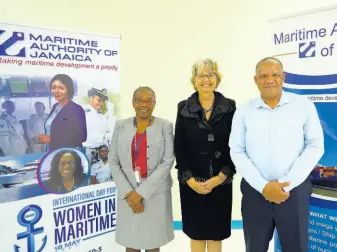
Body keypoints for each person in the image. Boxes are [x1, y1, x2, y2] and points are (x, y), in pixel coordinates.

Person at [229, 57, 324, 252]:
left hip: (293, 193)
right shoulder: (244, 110)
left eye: (275, 75)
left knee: (295, 247)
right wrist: (263, 186)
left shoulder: (303, 105)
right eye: (263, 76)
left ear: (283, 78)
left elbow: (315, 145)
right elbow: (237, 150)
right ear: (255, 80)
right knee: (255, 247)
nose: (269, 79)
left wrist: (287, 182)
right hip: (255, 192)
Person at [174, 59, 236, 252]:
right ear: (194, 81)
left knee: (216, 236)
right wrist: (189, 180)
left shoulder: (230, 107)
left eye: (210, 75)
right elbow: (180, 147)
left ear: (217, 79)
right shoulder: (183, 107)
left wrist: (220, 177)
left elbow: (236, 147)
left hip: (221, 181)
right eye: (201, 75)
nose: (206, 79)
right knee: (197, 234)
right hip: (192, 183)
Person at [109, 86, 174, 252]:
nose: (143, 104)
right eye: (139, 100)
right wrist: (130, 193)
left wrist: (141, 193)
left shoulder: (165, 126)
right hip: (128, 192)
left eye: (148, 101)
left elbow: (167, 161)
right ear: (133, 103)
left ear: (154, 103)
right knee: (131, 242)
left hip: (155, 192)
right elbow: (113, 161)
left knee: (153, 242)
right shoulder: (120, 126)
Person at [39, 74, 87, 151]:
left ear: (69, 90)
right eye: (54, 87)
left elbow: (81, 137)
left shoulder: (76, 109)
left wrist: (51, 139)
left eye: (61, 88)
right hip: (52, 151)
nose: (56, 91)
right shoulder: (55, 106)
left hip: (67, 155)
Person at [82, 87, 108, 165]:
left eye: (103, 101)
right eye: (99, 100)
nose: (101, 104)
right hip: (87, 150)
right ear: (91, 98)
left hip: (99, 151)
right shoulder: (83, 112)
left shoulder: (101, 116)